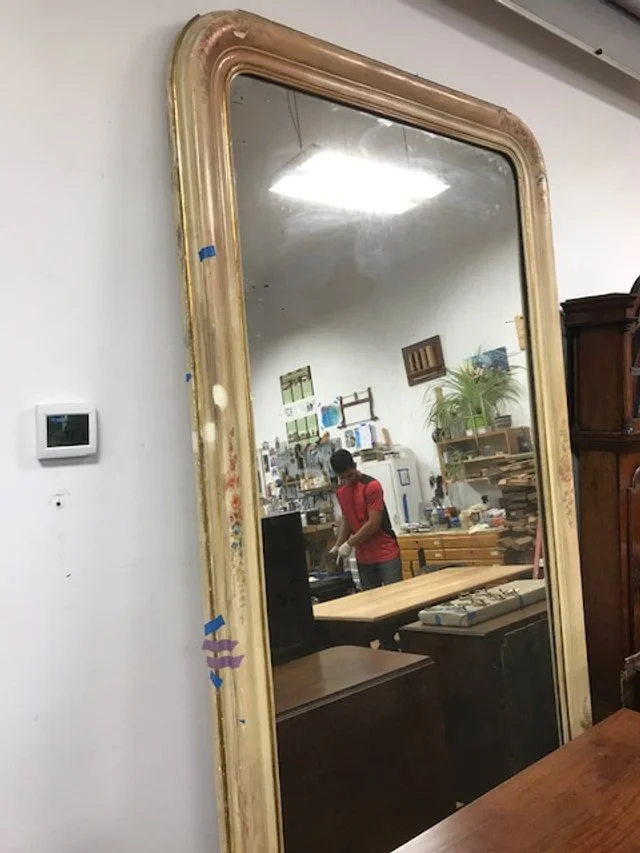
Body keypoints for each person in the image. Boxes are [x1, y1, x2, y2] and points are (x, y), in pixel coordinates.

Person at [329, 449, 402, 590]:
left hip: (385, 554)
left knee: (395, 597)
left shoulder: (371, 486)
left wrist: (349, 543)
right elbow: (347, 520)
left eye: (349, 476)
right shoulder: (341, 492)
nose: (347, 481)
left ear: (355, 466)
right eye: (342, 478)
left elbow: (374, 523)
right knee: (371, 601)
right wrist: (338, 545)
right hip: (364, 558)